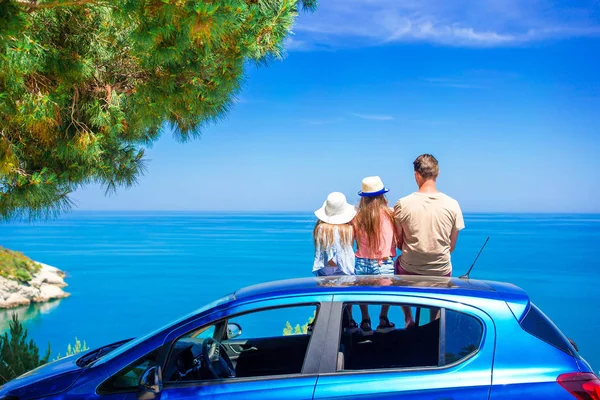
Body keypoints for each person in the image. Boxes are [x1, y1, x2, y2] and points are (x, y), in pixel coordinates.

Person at [394, 154, 465, 320]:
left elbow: (399, 243)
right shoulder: (452, 204)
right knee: (442, 283)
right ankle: (435, 320)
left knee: (397, 264)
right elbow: (451, 247)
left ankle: (408, 318)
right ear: (438, 174)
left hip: (409, 269)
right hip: (440, 271)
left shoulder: (403, 204)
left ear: (416, 175)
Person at [353, 176, 398, 335]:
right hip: (384, 262)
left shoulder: (357, 216)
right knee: (388, 293)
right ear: (382, 195)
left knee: (360, 293)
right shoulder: (390, 213)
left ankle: (365, 320)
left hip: (362, 261)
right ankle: (383, 318)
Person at [313, 192, 359, 332]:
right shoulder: (349, 229)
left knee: (324, 299)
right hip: (344, 270)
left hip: (325, 270)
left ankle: (318, 323)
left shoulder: (320, 229)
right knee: (346, 298)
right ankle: (349, 320)